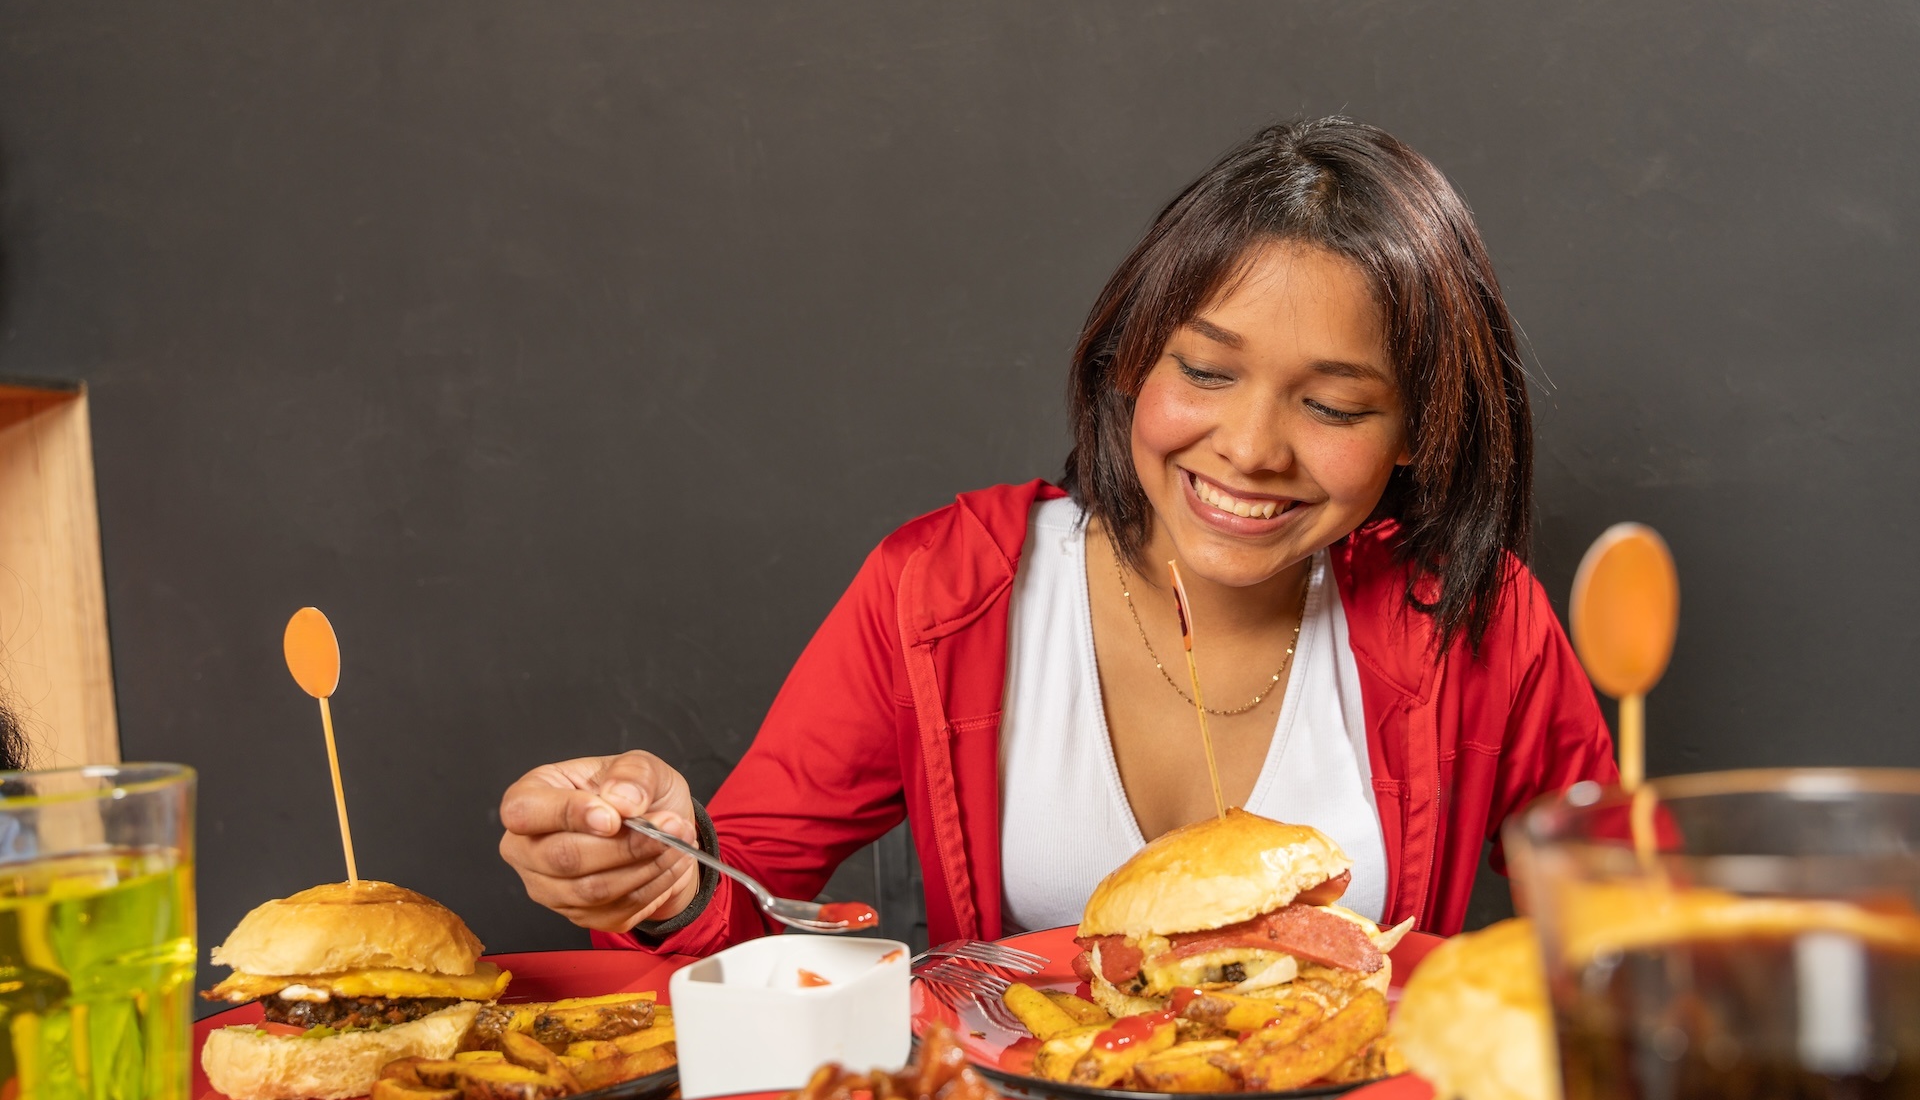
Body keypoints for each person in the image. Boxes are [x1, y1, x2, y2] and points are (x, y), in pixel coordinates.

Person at [497, 117, 1615, 956]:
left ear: (1419, 429)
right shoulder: (939, 590)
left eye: (1331, 405)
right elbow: (733, 919)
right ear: (1132, 359)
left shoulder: (1478, 619)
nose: (1251, 447)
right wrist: (655, 874)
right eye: (1206, 370)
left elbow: (1620, 937)